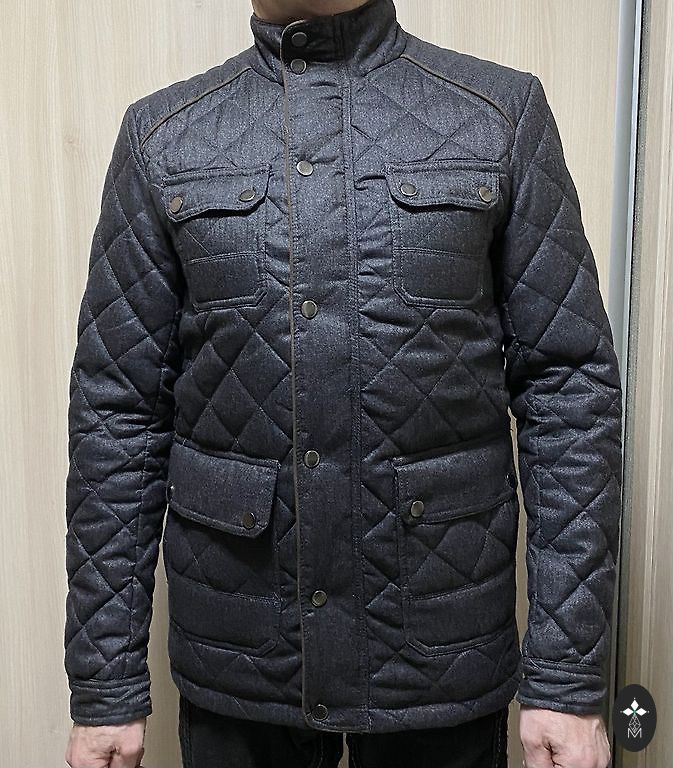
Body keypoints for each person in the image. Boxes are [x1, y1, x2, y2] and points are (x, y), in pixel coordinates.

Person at [63, 0, 623, 766]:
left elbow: (568, 390)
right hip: (240, 653)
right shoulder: (164, 135)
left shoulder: (497, 114)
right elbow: (117, 413)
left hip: (440, 643)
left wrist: (565, 677)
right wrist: (106, 683)